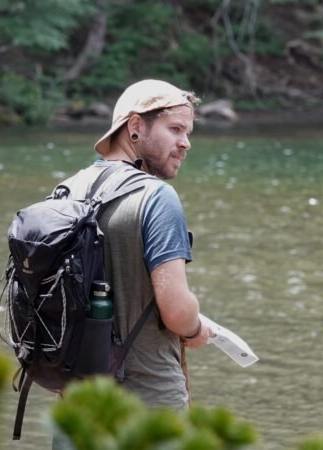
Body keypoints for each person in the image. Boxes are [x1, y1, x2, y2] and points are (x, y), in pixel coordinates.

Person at [59, 79, 213, 409]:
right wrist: (197, 329)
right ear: (135, 126)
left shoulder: (67, 190)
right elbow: (176, 311)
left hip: (76, 402)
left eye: (187, 133)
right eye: (175, 129)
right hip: (147, 403)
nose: (185, 143)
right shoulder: (157, 198)